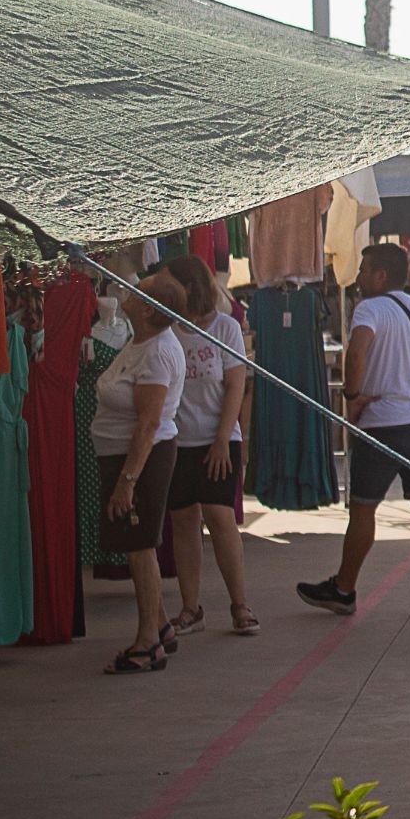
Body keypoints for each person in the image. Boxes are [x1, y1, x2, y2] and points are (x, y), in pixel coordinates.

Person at [298, 242, 410, 622]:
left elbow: (357, 352)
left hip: (380, 423)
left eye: (363, 270)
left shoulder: (369, 308)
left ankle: (344, 589)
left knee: (363, 509)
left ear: (380, 275)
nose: (359, 277)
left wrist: (351, 395)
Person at [95, 272, 189, 674]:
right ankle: (161, 623)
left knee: (140, 544)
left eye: (138, 290)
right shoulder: (139, 341)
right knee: (137, 545)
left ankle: (148, 641)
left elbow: (149, 424)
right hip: (121, 456)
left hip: (140, 461)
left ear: (148, 308)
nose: (126, 290)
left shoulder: (157, 353)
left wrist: (127, 482)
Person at [160, 256, 256, 638]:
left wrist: (223, 440)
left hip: (218, 440)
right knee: (183, 521)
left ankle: (240, 604)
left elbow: (236, 386)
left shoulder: (225, 327)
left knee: (220, 518)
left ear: (190, 287)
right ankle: (190, 608)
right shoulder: (165, 329)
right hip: (175, 441)